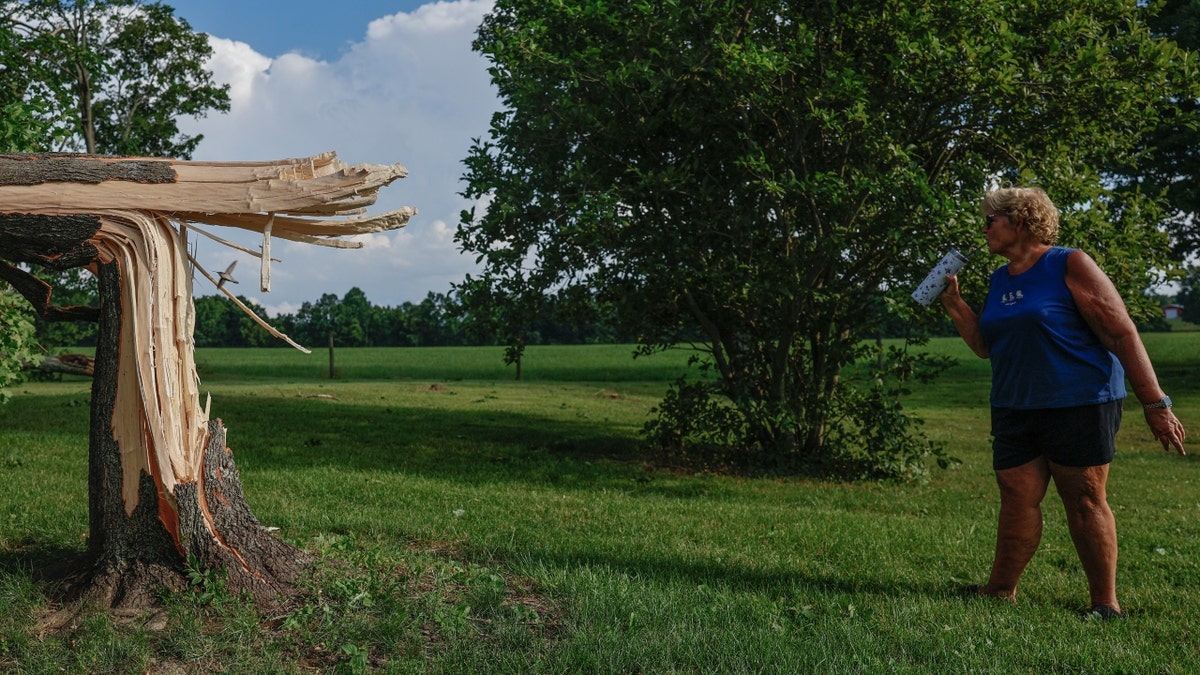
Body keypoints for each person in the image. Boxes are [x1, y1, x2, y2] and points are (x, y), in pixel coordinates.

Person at [939, 186, 1187, 619]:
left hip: (1079, 401)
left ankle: (1104, 604)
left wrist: (1156, 404)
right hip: (1016, 404)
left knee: (1085, 498)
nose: (984, 229)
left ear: (1019, 220)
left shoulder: (1069, 263)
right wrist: (956, 305)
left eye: (990, 220)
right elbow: (984, 345)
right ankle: (1000, 590)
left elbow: (1120, 332)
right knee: (1016, 496)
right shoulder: (1001, 278)